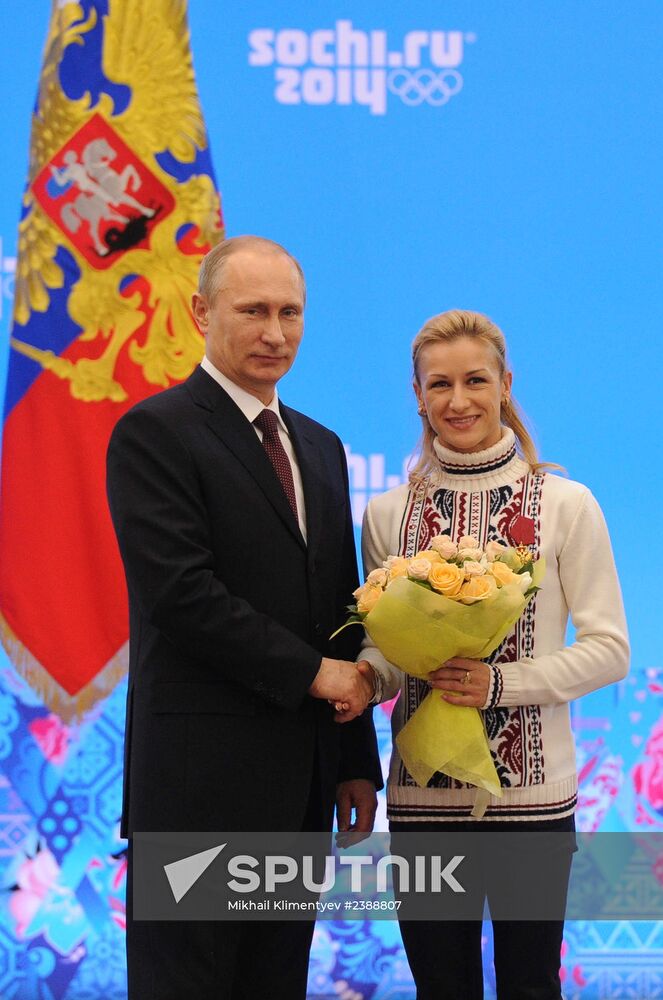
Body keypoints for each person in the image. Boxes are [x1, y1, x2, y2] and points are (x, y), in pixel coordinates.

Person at [106, 235, 382, 1000]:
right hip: (195, 790)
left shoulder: (321, 447)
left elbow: (340, 608)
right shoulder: (154, 432)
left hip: (298, 791)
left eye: (290, 312)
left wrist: (355, 758)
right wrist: (313, 675)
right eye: (252, 310)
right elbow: (179, 593)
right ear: (200, 312)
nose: (274, 332)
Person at [356, 309, 629, 999]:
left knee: (530, 986)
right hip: (421, 800)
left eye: (475, 380)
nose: (457, 400)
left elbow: (608, 651)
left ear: (504, 384)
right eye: (438, 384)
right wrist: (364, 675)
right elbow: (384, 649)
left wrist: (498, 685)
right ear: (416, 394)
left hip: (533, 803)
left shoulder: (567, 504)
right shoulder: (388, 514)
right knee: (439, 988)